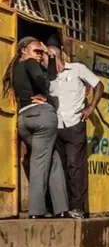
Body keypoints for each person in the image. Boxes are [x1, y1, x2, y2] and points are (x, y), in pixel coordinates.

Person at [3, 37, 69, 219]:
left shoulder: (15, 69)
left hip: (25, 119)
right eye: (37, 51)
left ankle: (61, 209)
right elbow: (46, 79)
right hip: (41, 117)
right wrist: (46, 95)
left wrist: (51, 58)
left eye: (41, 53)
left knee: (53, 159)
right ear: (24, 50)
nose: (40, 56)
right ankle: (37, 210)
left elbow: (46, 77)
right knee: (40, 162)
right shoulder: (30, 63)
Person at [46, 36, 103, 219]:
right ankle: (61, 207)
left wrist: (91, 107)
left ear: (60, 50)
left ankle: (78, 207)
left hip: (74, 124)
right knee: (60, 167)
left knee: (75, 165)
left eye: (52, 51)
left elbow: (99, 85)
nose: (50, 55)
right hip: (57, 126)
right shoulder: (48, 77)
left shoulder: (77, 69)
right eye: (47, 53)